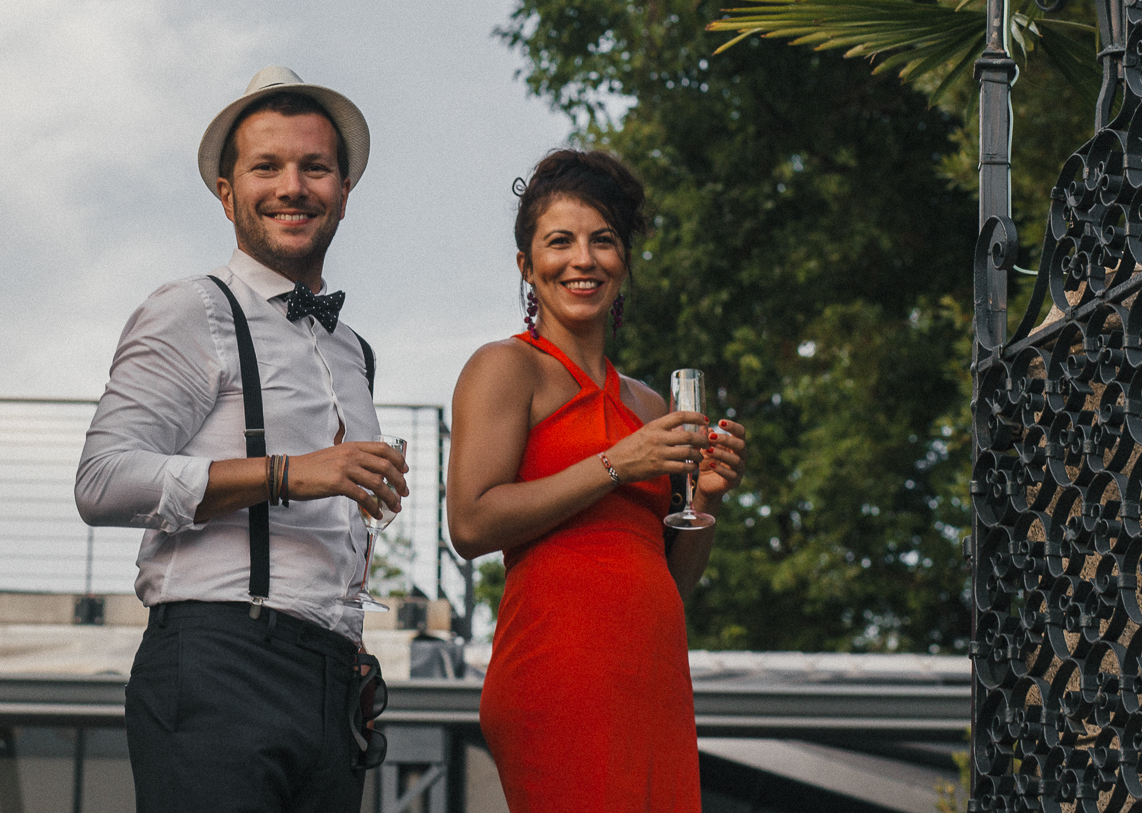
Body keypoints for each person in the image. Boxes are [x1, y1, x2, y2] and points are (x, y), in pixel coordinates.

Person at [75, 65, 409, 813]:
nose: (293, 186)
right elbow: (101, 481)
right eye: (267, 166)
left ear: (344, 192)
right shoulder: (193, 309)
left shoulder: (355, 351)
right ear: (226, 193)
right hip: (220, 663)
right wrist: (289, 473)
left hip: (333, 682)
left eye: (314, 167)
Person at [446, 149, 748, 813]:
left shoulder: (648, 406)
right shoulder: (505, 369)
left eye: (602, 240)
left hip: (652, 672)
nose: (582, 259)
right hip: (559, 670)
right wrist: (618, 465)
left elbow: (672, 578)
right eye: (560, 241)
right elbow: (469, 525)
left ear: (624, 261)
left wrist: (705, 501)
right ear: (527, 265)